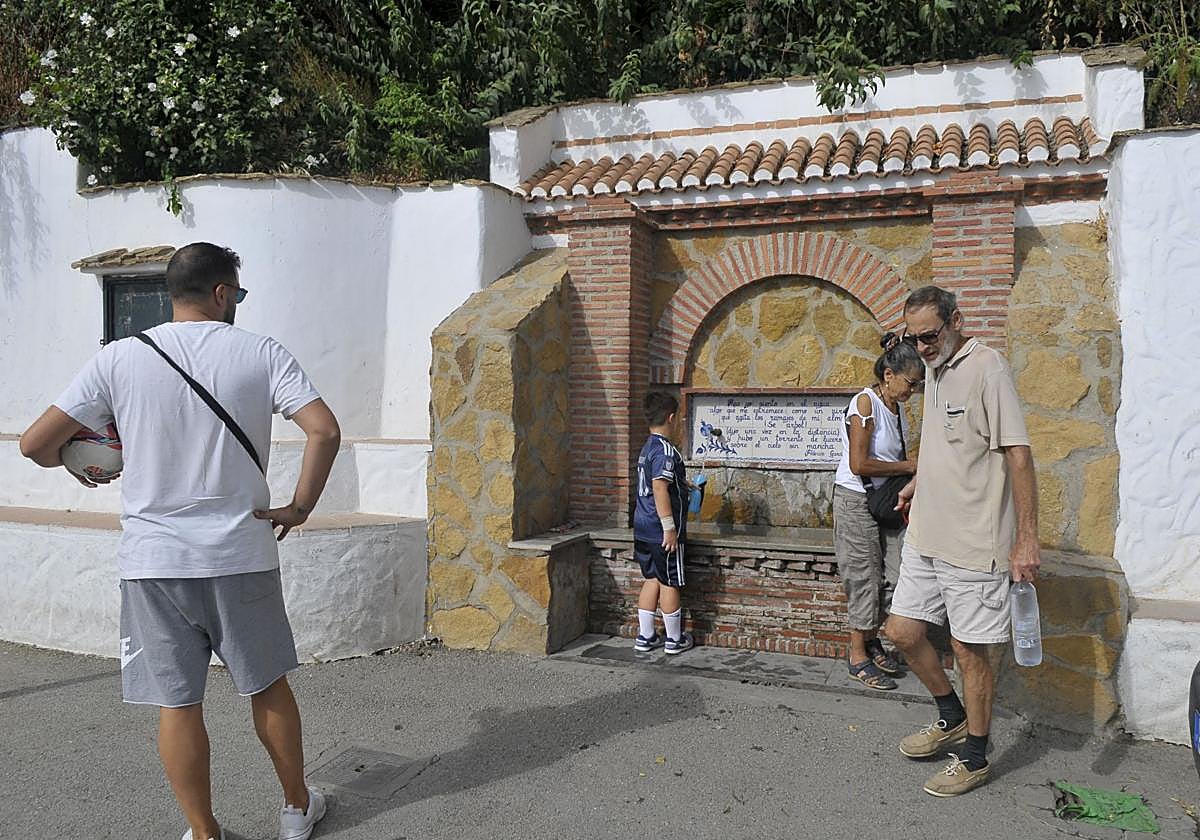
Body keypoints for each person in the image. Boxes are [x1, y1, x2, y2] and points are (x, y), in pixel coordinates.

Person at [19, 243, 341, 840]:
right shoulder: (261, 353)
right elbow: (323, 430)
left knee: (178, 702)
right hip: (239, 553)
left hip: (154, 559)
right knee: (266, 684)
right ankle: (296, 810)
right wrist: (298, 508)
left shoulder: (119, 358)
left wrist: (81, 464)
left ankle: (203, 832)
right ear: (221, 293)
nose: (237, 305)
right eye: (237, 295)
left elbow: (36, 444)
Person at [885, 285, 1040, 797]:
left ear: (955, 320)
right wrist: (916, 482)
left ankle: (975, 755)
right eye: (915, 338)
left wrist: (1026, 541)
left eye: (930, 335)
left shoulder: (987, 366)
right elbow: (942, 442)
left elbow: (1018, 453)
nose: (923, 347)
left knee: (968, 650)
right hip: (927, 532)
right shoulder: (934, 368)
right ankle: (950, 715)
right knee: (903, 630)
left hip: (976, 541)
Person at [833, 333, 923, 690]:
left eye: (916, 385)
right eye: (909, 383)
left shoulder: (893, 408)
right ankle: (857, 654)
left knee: (895, 575)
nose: (911, 391)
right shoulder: (865, 404)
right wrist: (908, 466)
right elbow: (859, 463)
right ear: (889, 374)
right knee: (863, 576)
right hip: (855, 500)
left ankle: (871, 638)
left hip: (883, 501)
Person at [631, 391, 694, 655]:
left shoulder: (648, 447)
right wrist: (669, 528)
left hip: (643, 526)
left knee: (652, 578)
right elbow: (659, 488)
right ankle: (674, 639)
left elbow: (658, 484)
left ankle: (646, 636)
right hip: (660, 530)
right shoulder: (667, 450)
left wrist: (682, 484)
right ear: (671, 417)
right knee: (670, 581)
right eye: (678, 417)